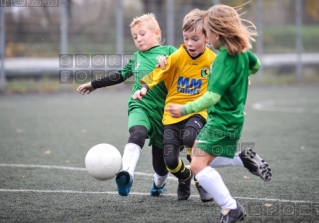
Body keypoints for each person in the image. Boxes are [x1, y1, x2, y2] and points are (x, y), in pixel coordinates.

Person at [165, 4, 271, 222]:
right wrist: (240, 78)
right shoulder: (242, 52)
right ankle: (243, 159)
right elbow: (256, 65)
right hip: (233, 118)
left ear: (217, 33)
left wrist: (185, 109)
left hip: (221, 121)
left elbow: (212, 96)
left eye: (208, 32)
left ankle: (230, 207)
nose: (207, 37)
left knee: (196, 165)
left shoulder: (223, 58)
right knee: (199, 155)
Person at [77, 13, 177, 197]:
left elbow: (188, 67)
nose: (138, 39)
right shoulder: (136, 58)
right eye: (135, 37)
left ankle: (158, 183)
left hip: (165, 113)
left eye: (142, 34)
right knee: (137, 132)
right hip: (140, 105)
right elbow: (120, 75)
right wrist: (94, 84)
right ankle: (127, 173)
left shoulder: (170, 51)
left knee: (161, 164)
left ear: (157, 33)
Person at [134, 9, 217, 202]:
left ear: (207, 38)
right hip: (171, 115)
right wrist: (143, 88)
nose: (189, 43)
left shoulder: (213, 59)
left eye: (195, 38)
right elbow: (158, 73)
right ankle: (185, 177)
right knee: (170, 161)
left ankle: (200, 180)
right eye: (186, 38)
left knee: (190, 138)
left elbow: (226, 76)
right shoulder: (178, 56)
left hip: (197, 112)